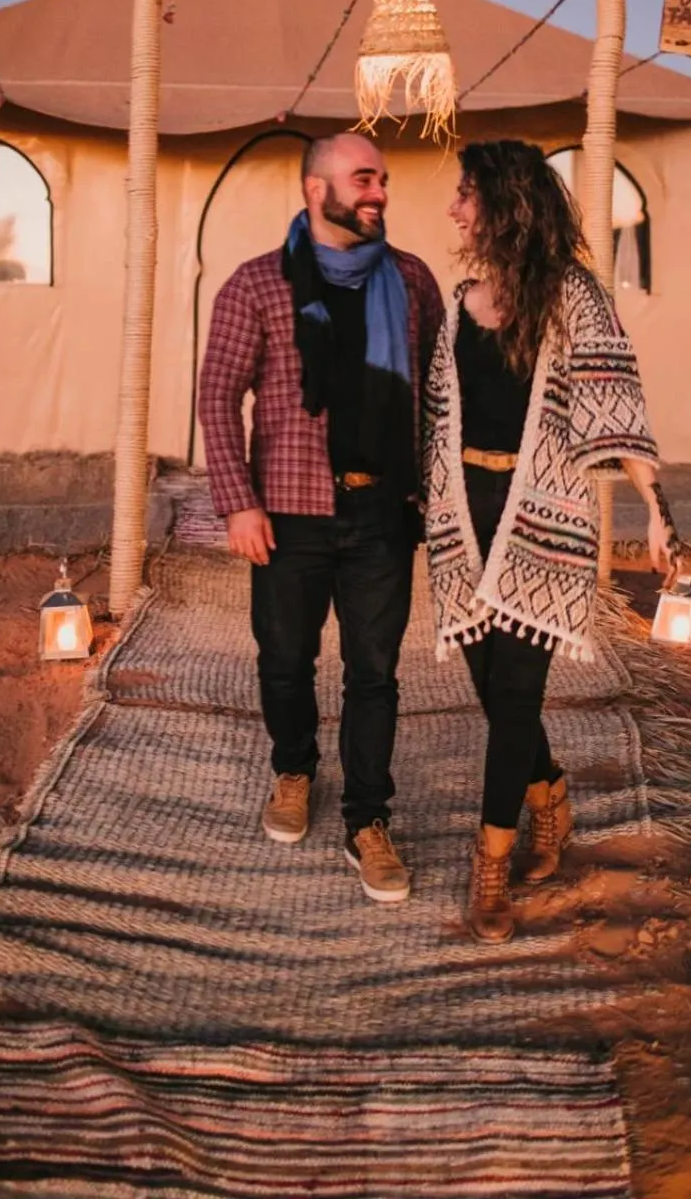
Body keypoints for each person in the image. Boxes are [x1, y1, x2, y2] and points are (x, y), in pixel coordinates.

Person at [423, 139, 681, 943]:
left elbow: (616, 401)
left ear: (504, 204)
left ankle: (491, 865)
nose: (453, 209)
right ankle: (552, 797)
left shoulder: (575, 298)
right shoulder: (459, 301)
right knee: (494, 686)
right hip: (460, 516)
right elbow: (436, 418)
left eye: (465, 194)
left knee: (514, 695)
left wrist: (655, 509)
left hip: (545, 515)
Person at [199, 131, 443, 905]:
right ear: (315, 189)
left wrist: (436, 498)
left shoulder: (412, 281)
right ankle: (294, 770)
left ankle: (369, 820)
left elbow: (440, 400)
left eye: (383, 181)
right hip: (290, 513)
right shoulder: (257, 284)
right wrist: (237, 501)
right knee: (284, 661)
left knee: (375, 673)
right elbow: (216, 397)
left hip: (383, 510)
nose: (378, 193)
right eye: (363, 179)